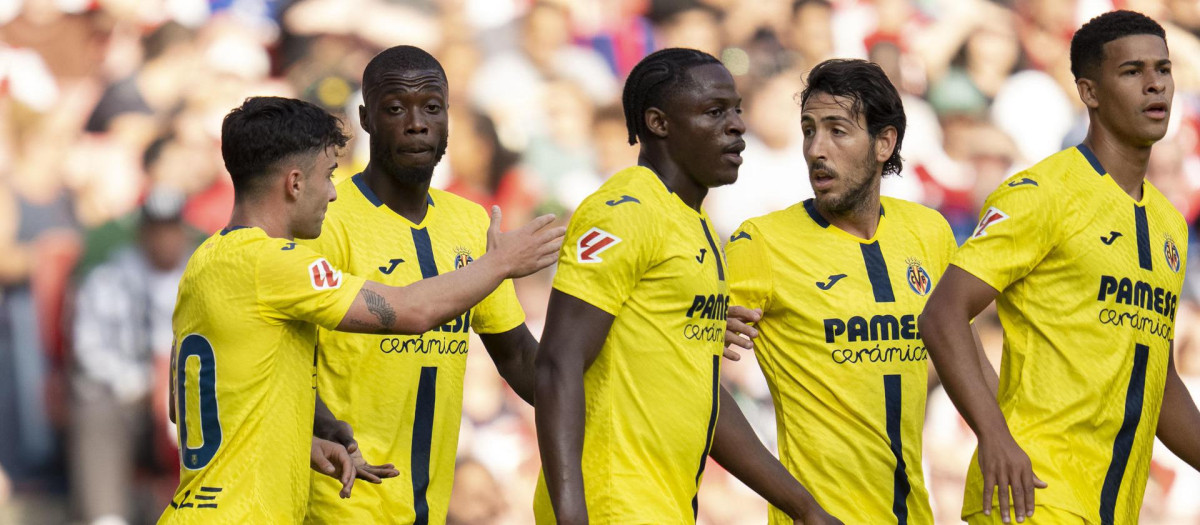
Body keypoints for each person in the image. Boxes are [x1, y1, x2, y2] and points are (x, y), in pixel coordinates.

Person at [159, 96, 563, 523]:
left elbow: (186, 401)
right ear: (294, 183)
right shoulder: (274, 264)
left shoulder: (205, 261)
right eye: (328, 175)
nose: (333, 193)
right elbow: (410, 311)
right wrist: (499, 263)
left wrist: (303, 436)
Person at [534, 47, 836, 524]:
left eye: (736, 109)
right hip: (611, 502)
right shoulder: (625, 211)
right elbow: (558, 363)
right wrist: (572, 516)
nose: (737, 126)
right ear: (658, 123)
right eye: (714, 112)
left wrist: (804, 508)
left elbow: (705, 395)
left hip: (663, 504)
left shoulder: (695, 225)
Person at [920, 10, 1200, 525]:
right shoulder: (1043, 193)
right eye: (1132, 71)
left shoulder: (1169, 224)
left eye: (1163, 69)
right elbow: (942, 313)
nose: (1155, 83)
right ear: (1089, 92)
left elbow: (1156, 379)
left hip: (1112, 506)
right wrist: (994, 436)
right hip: (1031, 495)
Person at [726, 58, 995, 524]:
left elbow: (968, 360)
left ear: (884, 143)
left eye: (837, 131)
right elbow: (691, 365)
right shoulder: (761, 242)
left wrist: (1006, 439)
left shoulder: (929, 232)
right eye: (808, 131)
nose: (816, 149)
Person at [301, 45, 548, 524]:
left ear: (448, 117)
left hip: (431, 505)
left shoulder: (470, 222)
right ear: (366, 119)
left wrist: (612, 392)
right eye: (396, 109)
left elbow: (518, 356)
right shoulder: (326, 218)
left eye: (432, 108)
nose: (417, 124)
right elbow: (289, 362)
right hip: (340, 501)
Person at [70, 187, 193, 524]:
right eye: (156, 229)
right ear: (142, 233)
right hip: (131, 399)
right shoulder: (110, 277)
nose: (164, 238)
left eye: (171, 229)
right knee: (94, 403)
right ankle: (107, 516)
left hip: (190, 396)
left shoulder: (203, 272)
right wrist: (138, 383)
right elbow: (87, 348)